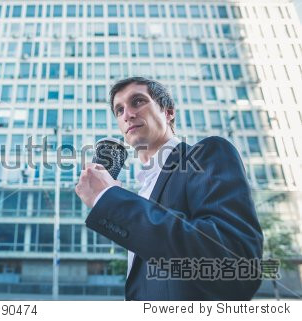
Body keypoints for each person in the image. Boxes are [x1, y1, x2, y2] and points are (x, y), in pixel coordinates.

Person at [75, 77, 263, 300]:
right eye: (119, 110)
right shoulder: (140, 189)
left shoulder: (205, 154)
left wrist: (111, 199)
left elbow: (235, 263)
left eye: (138, 101)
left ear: (168, 112)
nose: (127, 114)